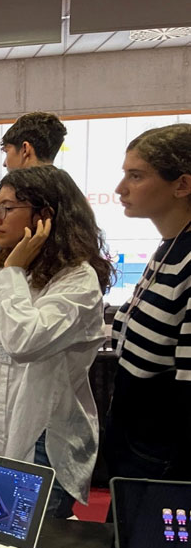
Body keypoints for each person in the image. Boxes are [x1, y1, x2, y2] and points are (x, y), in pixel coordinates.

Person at [0, 166, 113, 517]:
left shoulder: (78, 280)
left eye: (8, 208)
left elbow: (24, 342)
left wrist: (13, 272)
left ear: (45, 216)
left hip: (44, 437)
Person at [107, 123, 191, 481]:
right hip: (139, 446)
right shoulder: (170, 246)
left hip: (165, 460)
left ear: (182, 185)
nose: (121, 189)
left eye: (136, 176)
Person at [2, 112, 67, 170]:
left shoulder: (11, 183)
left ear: (25, 149)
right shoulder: (66, 182)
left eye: (6, 151)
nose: (4, 164)